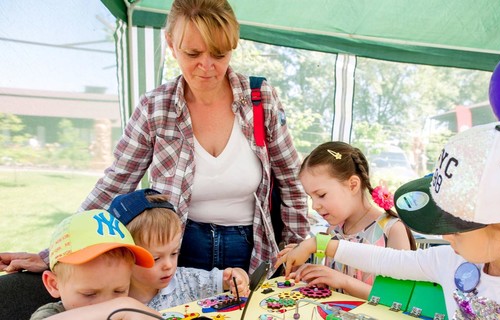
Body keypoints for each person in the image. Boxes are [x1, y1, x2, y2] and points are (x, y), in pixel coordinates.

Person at [0, 0, 308, 276]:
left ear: (233, 45)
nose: (207, 66)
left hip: (251, 247)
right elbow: (116, 183)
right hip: (173, 249)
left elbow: (292, 179)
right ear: (171, 44)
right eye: (192, 53)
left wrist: (296, 248)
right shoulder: (155, 107)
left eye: (219, 53)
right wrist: (55, 252)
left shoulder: (259, 98)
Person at [277, 122, 500, 319]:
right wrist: (321, 244)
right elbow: (386, 260)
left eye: (454, 230)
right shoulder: (454, 261)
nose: (446, 239)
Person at [277, 141, 416, 299]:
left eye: (321, 195)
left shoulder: (392, 230)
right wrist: (311, 273)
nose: (314, 206)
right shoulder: (332, 232)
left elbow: (398, 300)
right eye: (311, 197)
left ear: (353, 185)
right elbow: (334, 291)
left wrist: (343, 281)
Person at [108, 188, 250, 310]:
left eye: (174, 253)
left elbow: (225, 278)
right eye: (156, 258)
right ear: (124, 256)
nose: (169, 265)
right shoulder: (106, 298)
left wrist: (236, 277)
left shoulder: (185, 281)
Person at [31, 209, 161, 320]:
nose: (106, 303)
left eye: (119, 291)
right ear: (54, 284)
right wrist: (121, 306)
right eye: (89, 294)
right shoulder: (51, 314)